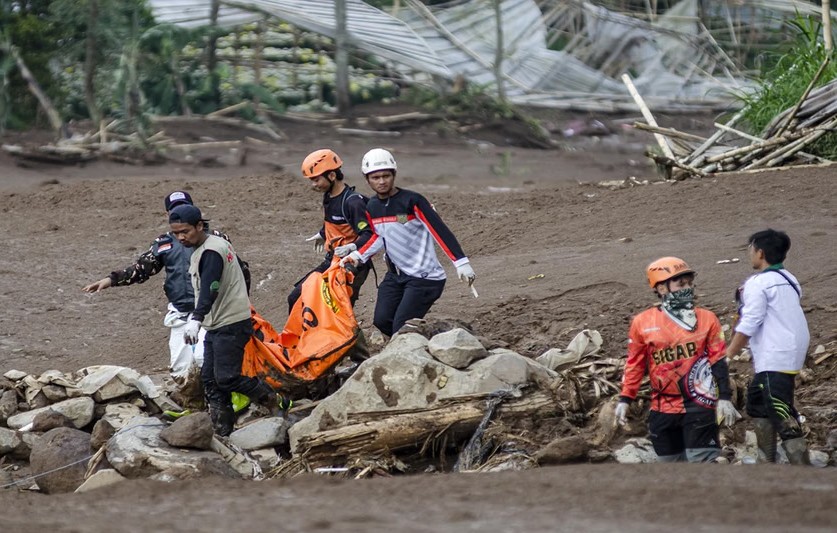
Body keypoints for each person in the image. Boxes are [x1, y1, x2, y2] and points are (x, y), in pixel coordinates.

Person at [82, 191, 250, 386]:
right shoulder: (163, 244)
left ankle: (222, 398)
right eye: (174, 210)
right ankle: (194, 401)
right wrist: (111, 280)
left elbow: (239, 270)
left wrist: (242, 303)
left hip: (213, 311)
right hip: (180, 312)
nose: (179, 214)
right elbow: (142, 269)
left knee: (206, 360)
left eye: (184, 208)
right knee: (180, 369)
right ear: (168, 215)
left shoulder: (216, 240)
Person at [340, 148, 476, 338]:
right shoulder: (372, 206)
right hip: (396, 276)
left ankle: (434, 339)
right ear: (367, 179)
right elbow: (377, 236)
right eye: (375, 177)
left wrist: (461, 262)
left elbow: (439, 230)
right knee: (382, 321)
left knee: (401, 328)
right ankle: (425, 337)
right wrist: (357, 255)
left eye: (386, 176)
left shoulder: (412, 201)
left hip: (424, 278)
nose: (381, 181)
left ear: (394, 174)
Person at [615, 257, 740, 463]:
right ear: (662, 288)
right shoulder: (642, 322)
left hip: (699, 404)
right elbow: (635, 364)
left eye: (690, 283)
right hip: (662, 408)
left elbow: (718, 360)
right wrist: (625, 399)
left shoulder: (707, 318)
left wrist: (725, 397)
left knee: (702, 462)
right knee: (670, 467)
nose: (688, 289)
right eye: (681, 284)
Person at [168, 204, 277, 436]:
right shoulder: (212, 245)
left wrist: (196, 318)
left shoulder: (211, 252)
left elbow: (211, 287)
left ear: (199, 226)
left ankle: (274, 400)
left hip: (231, 323)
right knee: (210, 379)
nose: (181, 238)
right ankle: (223, 430)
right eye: (176, 233)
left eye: (185, 231)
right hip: (218, 323)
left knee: (227, 378)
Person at [725, 229, 810, 464]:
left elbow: (750, 321)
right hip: (789, 353)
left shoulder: (758, 283)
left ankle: (805, 470)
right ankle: (767, 461)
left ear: (760, 253)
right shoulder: (789, 279)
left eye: (750, 249)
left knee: (782, 412)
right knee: (757, 402)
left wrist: (728, 354)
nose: (749, 254)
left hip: (776, 356)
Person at [289, 148, 373, 313]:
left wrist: (352, 247)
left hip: (351, 265)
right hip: (333, 260)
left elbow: (369, 234)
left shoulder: (353, 203)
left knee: (337, 312)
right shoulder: (329, 197)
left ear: (332, 176)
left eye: (316, 180)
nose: (313, 185)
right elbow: (335, 220)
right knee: (297, 297)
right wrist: (323, 233)